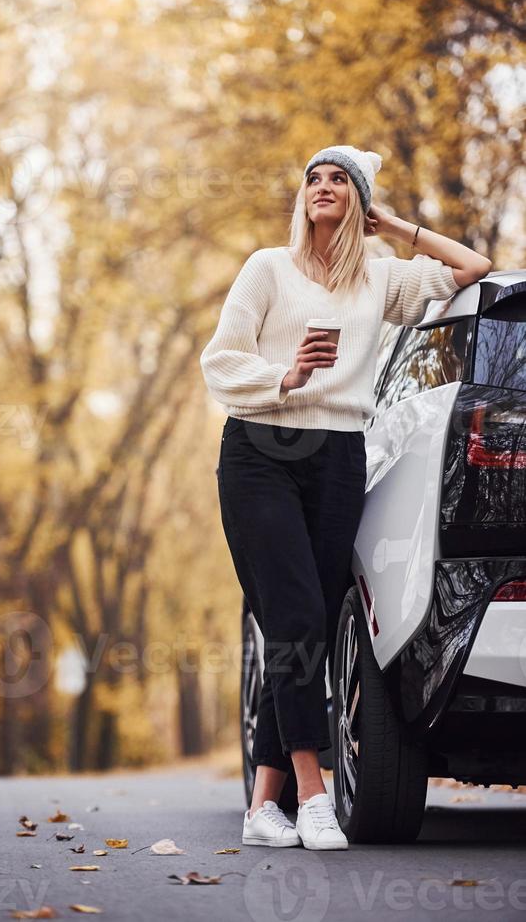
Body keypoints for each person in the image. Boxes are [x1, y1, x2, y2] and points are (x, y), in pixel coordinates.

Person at [199, 144, 492, 851]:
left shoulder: (379, 281)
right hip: (262, 451)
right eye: (315, 179)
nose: (324, 187)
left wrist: (391, 225)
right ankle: (311, 790)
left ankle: (262, 809)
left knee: (306, 630)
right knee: (296, 616)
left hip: (337, 458)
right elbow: (220, 360)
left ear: (358, 201)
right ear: (302, 197)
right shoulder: (269, 267)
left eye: (341, 181)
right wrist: (288, 373)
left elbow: (471, 270)